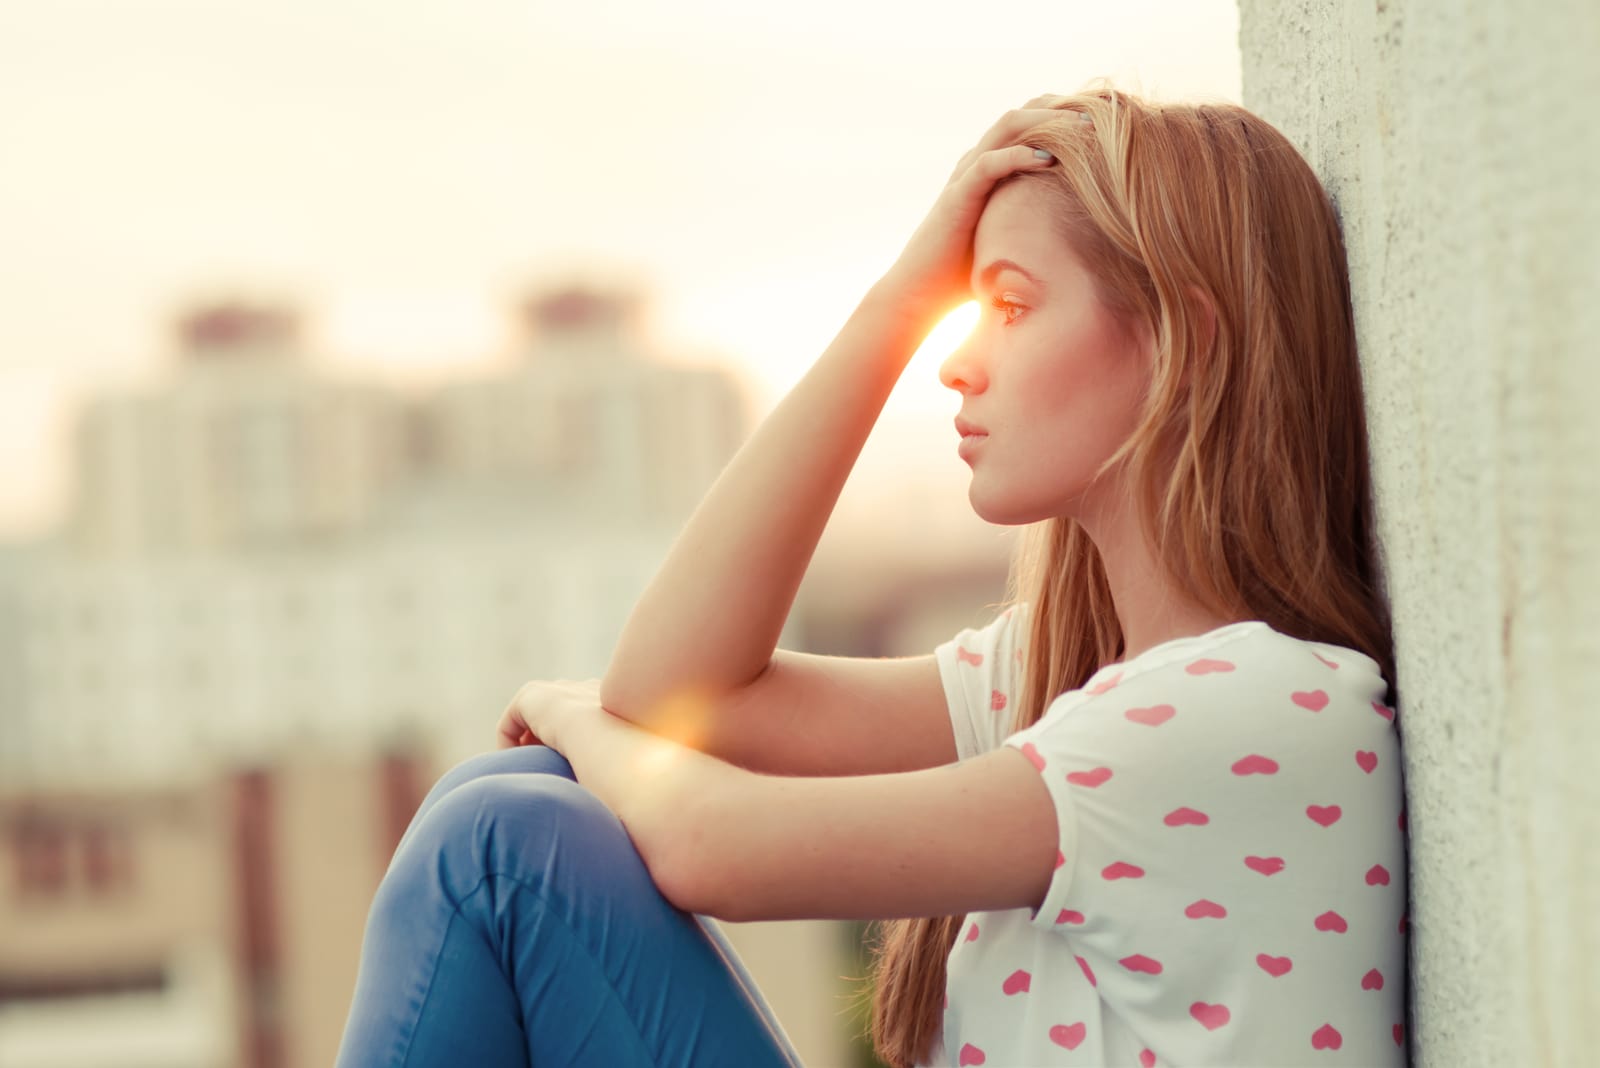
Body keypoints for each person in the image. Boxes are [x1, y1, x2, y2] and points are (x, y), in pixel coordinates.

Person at [335, 80, 1408, 1068]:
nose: (956, 356)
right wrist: (901, 299)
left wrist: (571, 712)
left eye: (1014, 304)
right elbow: (676, 696)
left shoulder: (1263, 709)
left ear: (1181, 342)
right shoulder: (1065, 675)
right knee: (508, 796)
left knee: (503, 847)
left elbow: (713, 845)